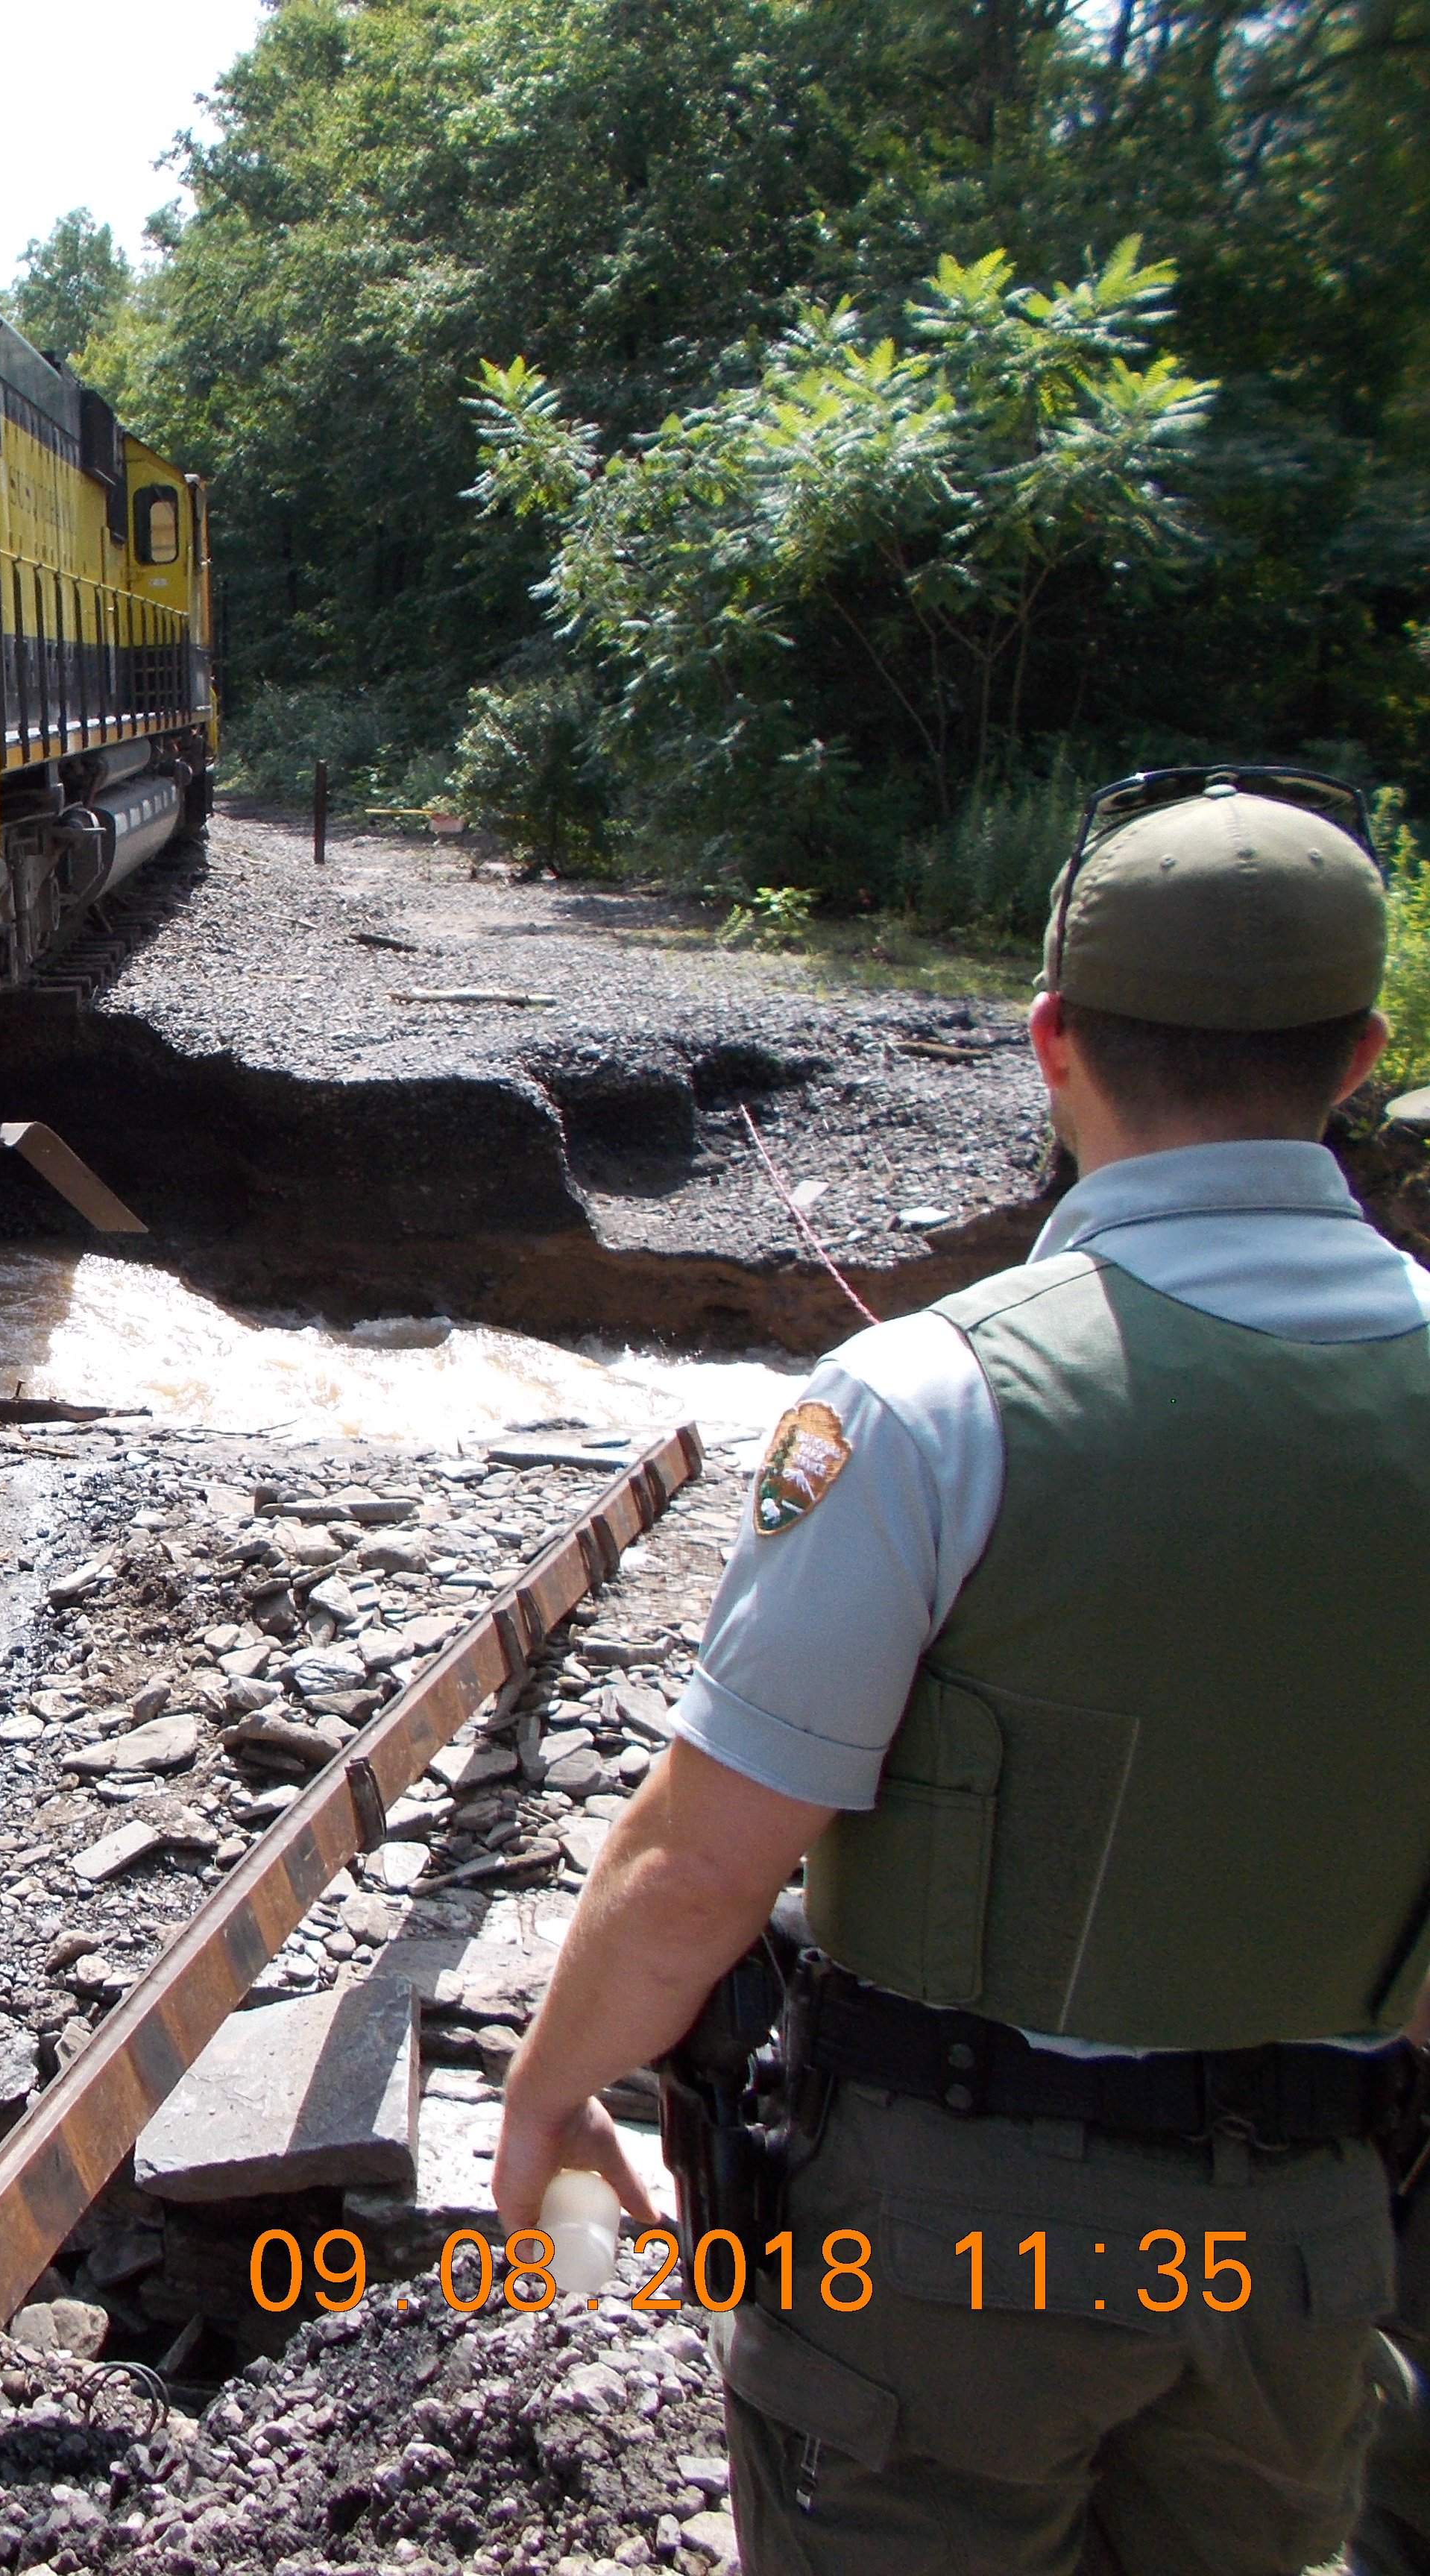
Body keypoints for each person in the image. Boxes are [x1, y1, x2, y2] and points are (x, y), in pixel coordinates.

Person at [490, 768, 1430, 2572]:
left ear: (1051, 1037)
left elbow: (701, 1864)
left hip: (955, 2254)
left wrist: (554, 2090)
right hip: (1308, 2239)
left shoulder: (929, 1399)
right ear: (1364, 1052)